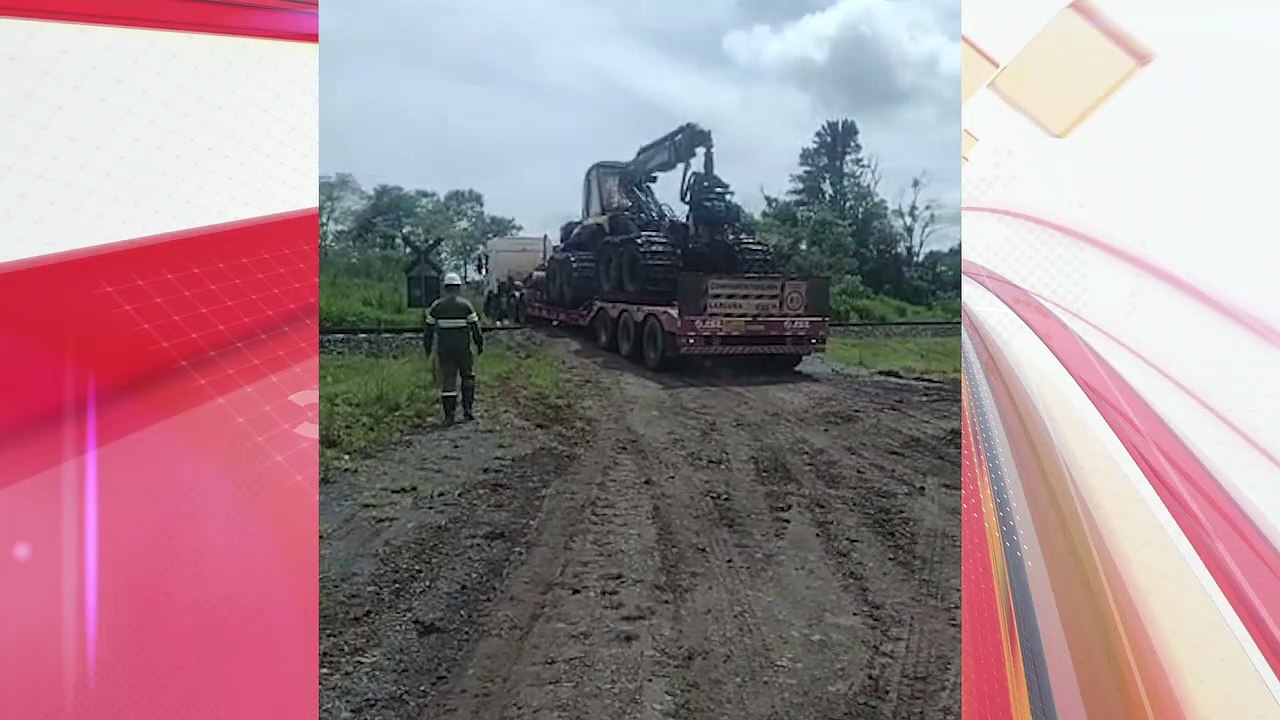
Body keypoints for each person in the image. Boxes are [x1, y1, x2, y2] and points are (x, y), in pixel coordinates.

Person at [423, 273, 483, 425]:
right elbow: (476, 328)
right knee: (468, 377)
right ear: (458, 287)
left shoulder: (437, 306)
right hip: (463, 349)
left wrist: (428, 349)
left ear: (445, 288)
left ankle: (449, 416)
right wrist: (479, 344)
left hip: (445, 350)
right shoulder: (466, 306)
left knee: (448, 380)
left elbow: (428, 331)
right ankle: (468, 411)